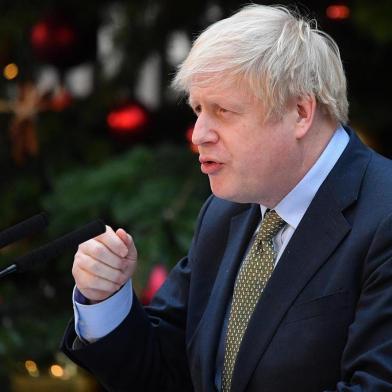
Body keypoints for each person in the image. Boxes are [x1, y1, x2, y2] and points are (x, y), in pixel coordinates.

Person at [62, 4, 392, 391]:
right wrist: (105, 299)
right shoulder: (225, 211)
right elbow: (166, 370)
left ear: (301, 112)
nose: (199, 134)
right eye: (199, 109)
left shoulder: (383, 214)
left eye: (223, 111)